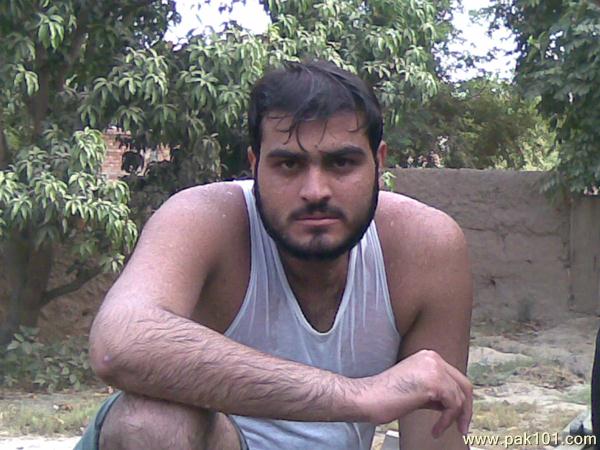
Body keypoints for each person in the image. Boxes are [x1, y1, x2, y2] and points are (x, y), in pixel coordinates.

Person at [76, 60, 473, 450]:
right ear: (255, 167)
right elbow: (119, 343)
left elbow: (436, 441)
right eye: (288, 164)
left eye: (341, 163)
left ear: (378, 164)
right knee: (154, 424)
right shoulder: (204, 218)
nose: (315, 191)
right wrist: (359, 395)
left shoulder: (425, 249)